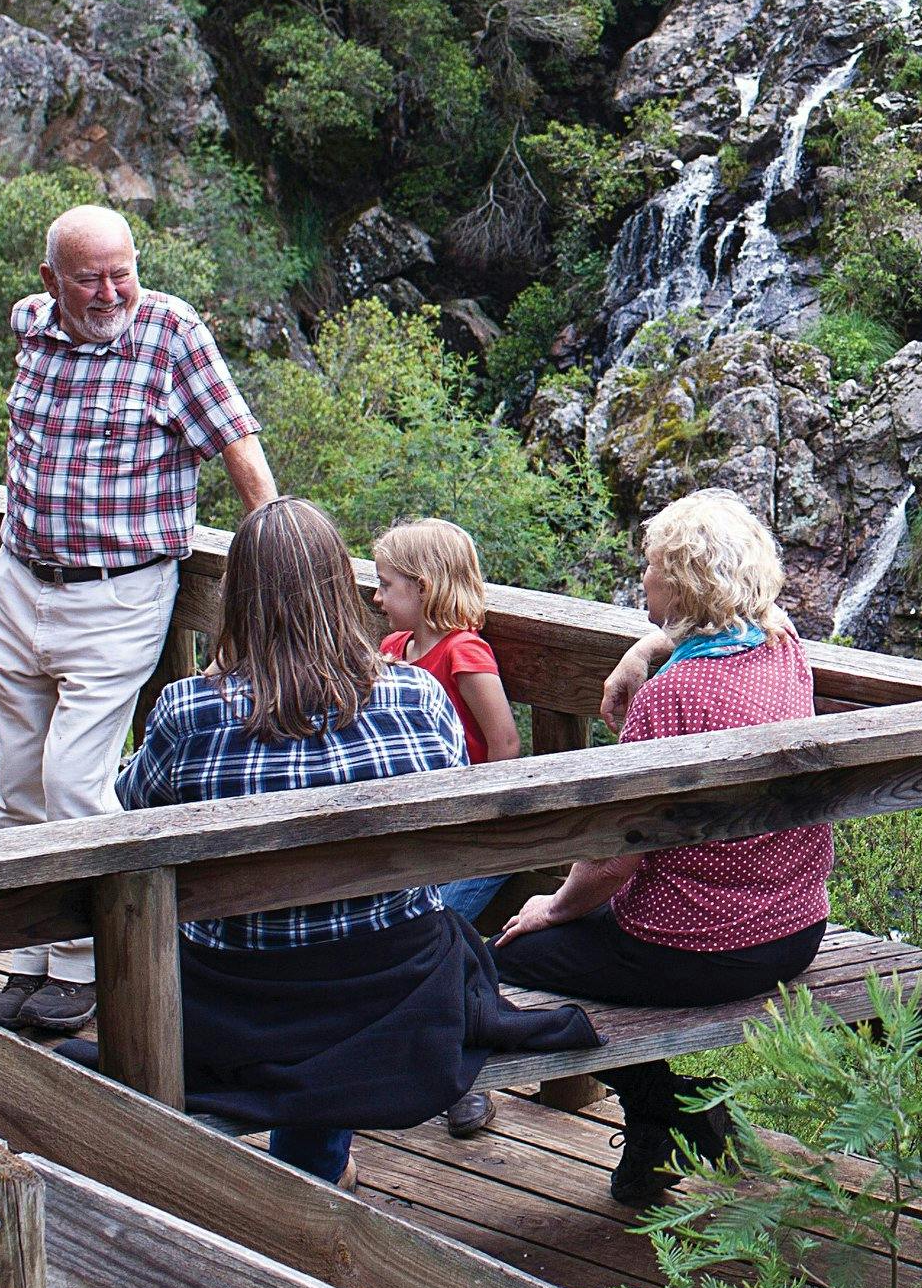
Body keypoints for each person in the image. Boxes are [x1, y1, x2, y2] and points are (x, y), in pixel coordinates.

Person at [96, 498, 591, 1185]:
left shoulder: (189, 711)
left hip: (240, 996)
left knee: (289, 973)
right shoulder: (418, 698)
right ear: (338, 593)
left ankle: (297, 1180)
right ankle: (314, 1169)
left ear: (237, 599)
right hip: (392, 990)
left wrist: (215, 684)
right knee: (363, 954)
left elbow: (128, 806)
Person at [0, 204, 274, 1038]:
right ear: (51, 282)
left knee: (76, 783)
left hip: (117, 595)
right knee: (15, 786)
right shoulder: (30, 325)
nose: (112, 293)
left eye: (123, 273)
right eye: (90, 279)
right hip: (19, 583)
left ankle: (86, 965)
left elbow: (239, 446)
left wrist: (275, 553)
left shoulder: (171, 334)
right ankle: (28, 952)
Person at [495, 487, 834, 1208]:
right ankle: (660, 1132)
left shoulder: (670, 700)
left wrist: (553, 908)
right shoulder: (785, 649)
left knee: (503, 958)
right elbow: (735, 621)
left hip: (693, 949)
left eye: (650, 567)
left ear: (680, 584)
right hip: (796, 930)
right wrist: (646, 646)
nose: (642, 578)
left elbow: (614, 860)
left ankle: (667, 1108)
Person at [371, 514, 525, 1139]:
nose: (376, 597)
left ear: (425, 586)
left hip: (471, 838)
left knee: (430, 936)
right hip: (413, 834)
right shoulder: (391, 650)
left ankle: (459, 1078)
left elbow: (504, 743)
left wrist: (474, 820)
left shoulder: (463, 652)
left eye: (387, 585)